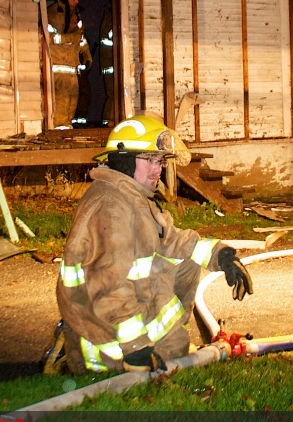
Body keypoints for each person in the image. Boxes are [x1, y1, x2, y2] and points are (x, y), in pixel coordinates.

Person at [53, 114, 253, 374]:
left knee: (185, 261)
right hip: (106, 338)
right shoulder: (110, 207)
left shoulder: (132, 196)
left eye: (159, 161)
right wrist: (136, 348)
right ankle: (97, 352)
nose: (157, 168)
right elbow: (109, 283)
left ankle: (165, 338)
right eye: (149, 160)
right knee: (175, 352)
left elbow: (170, 239)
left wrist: (221, 256)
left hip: (117, 312)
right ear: (124, 161)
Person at [47, 0, 92, 129]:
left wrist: (86, 55)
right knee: (61, 103)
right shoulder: (52, 15)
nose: (77, 2)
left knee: (72, 102)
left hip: (72, 68)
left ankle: (66, 129)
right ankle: (58, 132)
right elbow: (51, 38)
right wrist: (72, 38)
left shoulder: (76, 17)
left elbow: (81, 38)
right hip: (58, 69)